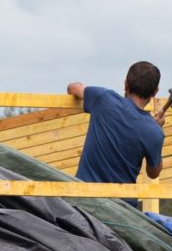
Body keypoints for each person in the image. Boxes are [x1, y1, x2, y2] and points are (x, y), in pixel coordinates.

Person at [66, 62, 166, 193]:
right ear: (155, 92)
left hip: (83, 198)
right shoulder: (154, 132)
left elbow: (72, 88)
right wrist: (157, 129)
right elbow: (153, 173)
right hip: (121, 204)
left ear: (126, 83)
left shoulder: (103, 98)